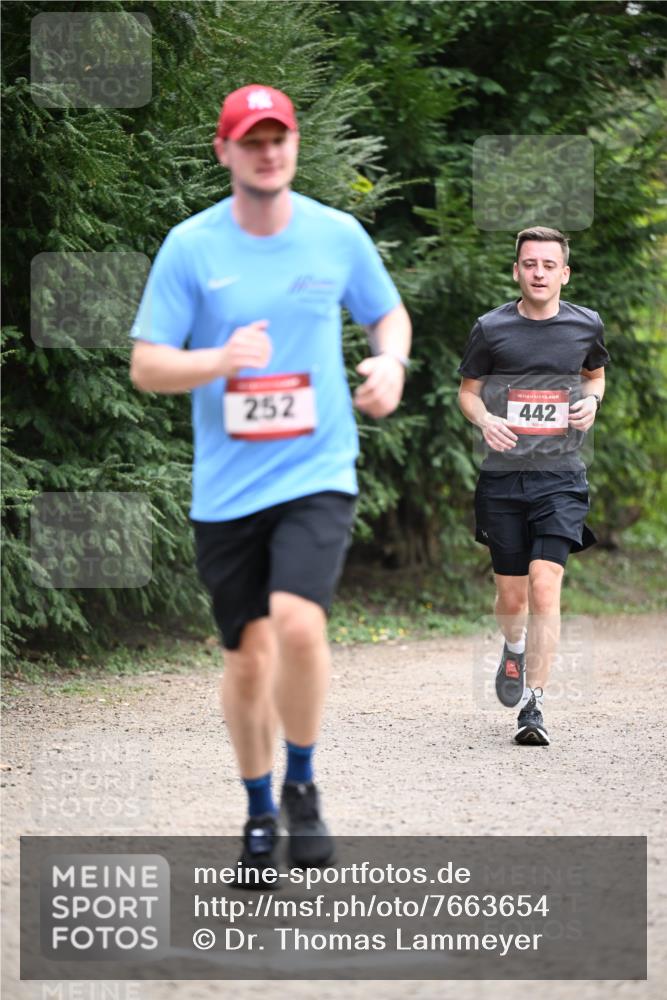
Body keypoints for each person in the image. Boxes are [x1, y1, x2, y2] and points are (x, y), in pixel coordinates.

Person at [130, 85, 411, 880]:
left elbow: (387, 315)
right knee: (248, 657)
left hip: (316, 468)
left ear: (293, 145)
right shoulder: (192, 247)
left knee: (296, 624)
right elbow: (147, 365)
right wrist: (217, 360)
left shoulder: (336, 235)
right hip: (227, 489)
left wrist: (388, 360)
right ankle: (257, 812)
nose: (267, 150)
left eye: (278, 136)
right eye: (250, 139)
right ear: (225, 152)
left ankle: (302, 783)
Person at [457, 226, 609, 746]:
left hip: (561, 477)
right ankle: (515, 648)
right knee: (511, 595)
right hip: (501, 480)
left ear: (563, 273)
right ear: (517, 270)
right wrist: (484, 421)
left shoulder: (586, 324)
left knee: (546, 583)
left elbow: (595, 375)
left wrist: (592, 402)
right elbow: (468, 393)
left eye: (549, 265)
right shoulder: (491, 328)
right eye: (530, 264)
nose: (539, 272)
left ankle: (535, 705)